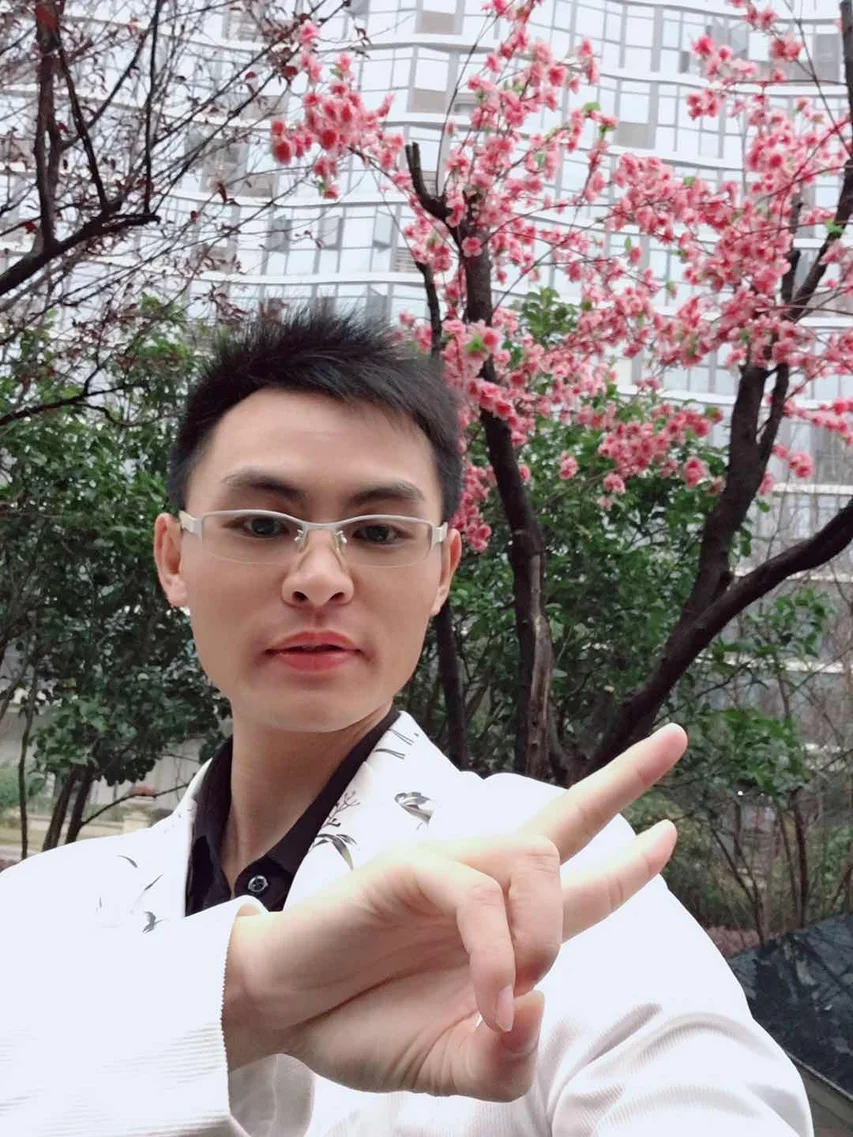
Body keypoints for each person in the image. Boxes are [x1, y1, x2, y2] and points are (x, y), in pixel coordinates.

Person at [0, 308, 812, 1136]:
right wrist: (245, 996)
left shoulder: (546, 869)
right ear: (174, 557)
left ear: (441, 570)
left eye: (379, 531)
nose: (320, 578)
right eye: (263, 525)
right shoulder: (36, 914)